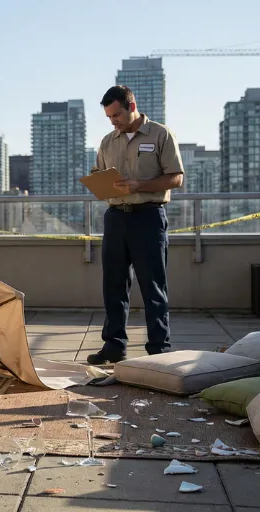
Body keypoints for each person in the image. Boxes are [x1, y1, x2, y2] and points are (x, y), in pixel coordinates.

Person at [86, 85, 184, 365]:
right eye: (108, 117)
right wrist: (98, 181)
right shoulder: (108, 141)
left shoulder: (160, 134)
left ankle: (159, 349)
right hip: (116, 217)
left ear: (131, 106)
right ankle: (114, 346)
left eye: (116, 115)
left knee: (153, 286)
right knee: (114, 284)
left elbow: (176, 178)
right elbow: (98, 172)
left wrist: (138, 185)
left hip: (148, 217)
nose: (113, 121)